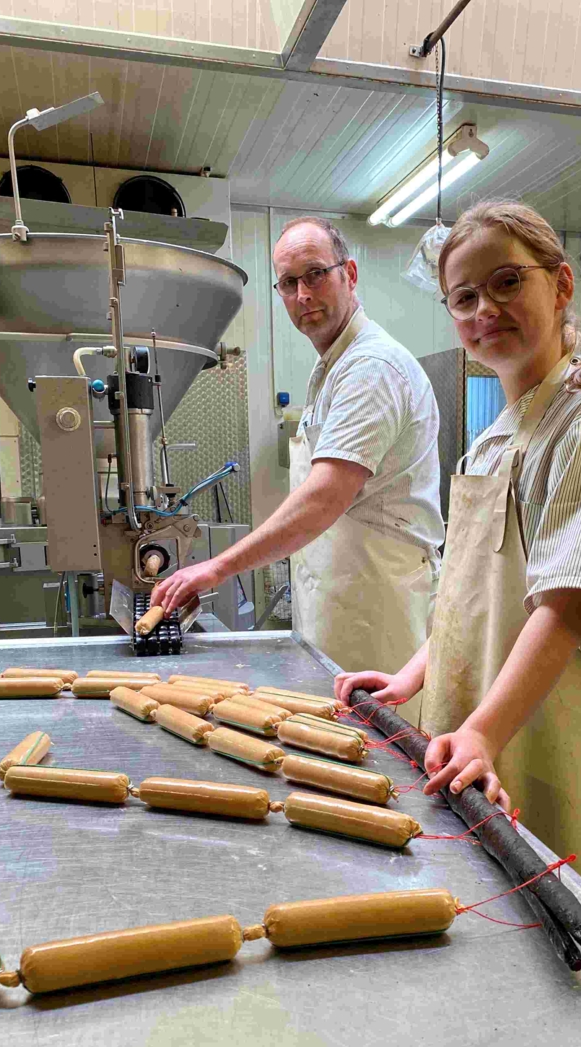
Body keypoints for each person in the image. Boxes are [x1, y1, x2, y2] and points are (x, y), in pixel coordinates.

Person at [336, 202, 581, 910]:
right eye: (465, 296)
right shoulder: (492, 438)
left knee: (555, 934)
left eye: (508, 281)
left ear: (562, 284)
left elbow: (569, 605)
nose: (487, 307)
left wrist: (484, 728)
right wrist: (408, 679)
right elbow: (468, 598)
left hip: (555, 745)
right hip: (478, 740)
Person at [153, 217, 443, 707]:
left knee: (380, 758)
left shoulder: (371, 369)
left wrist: (217, 569)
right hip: (340, 601)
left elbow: (324, 498)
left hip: (378, 612)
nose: (303, 294)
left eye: (315, 275)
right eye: (288, 283)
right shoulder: (332, 366)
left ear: (349, 274)